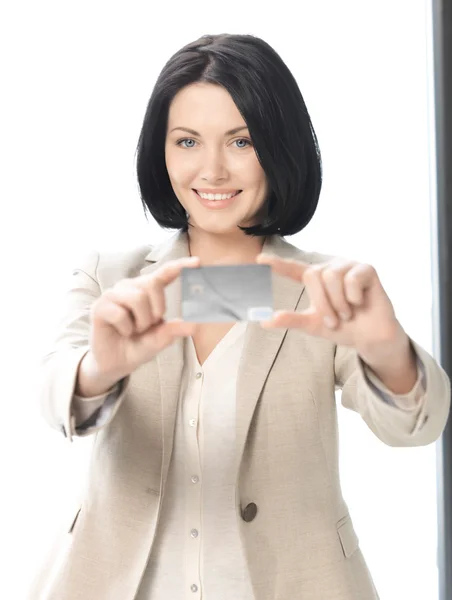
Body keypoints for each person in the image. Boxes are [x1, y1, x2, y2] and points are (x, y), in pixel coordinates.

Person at [29, 33, 450, 600]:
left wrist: (387, 352)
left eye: (241, 142)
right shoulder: (110, 276)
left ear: (279, 147)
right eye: (186, 141)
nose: (212, 170)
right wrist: (98, 370)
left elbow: (413, 427)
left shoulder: (326, 290)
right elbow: (56, 392)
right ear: (162, 151)